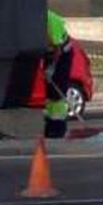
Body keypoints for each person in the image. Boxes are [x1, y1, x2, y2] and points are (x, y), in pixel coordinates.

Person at [44, 10, 74, 139]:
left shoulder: (50, 20)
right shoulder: (33, 19)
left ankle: (58, 127)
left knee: (58, 89)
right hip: (50, 53)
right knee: (49, 90)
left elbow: (58, 48)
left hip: (63, 54)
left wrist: (51, 68)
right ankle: (50, 126)